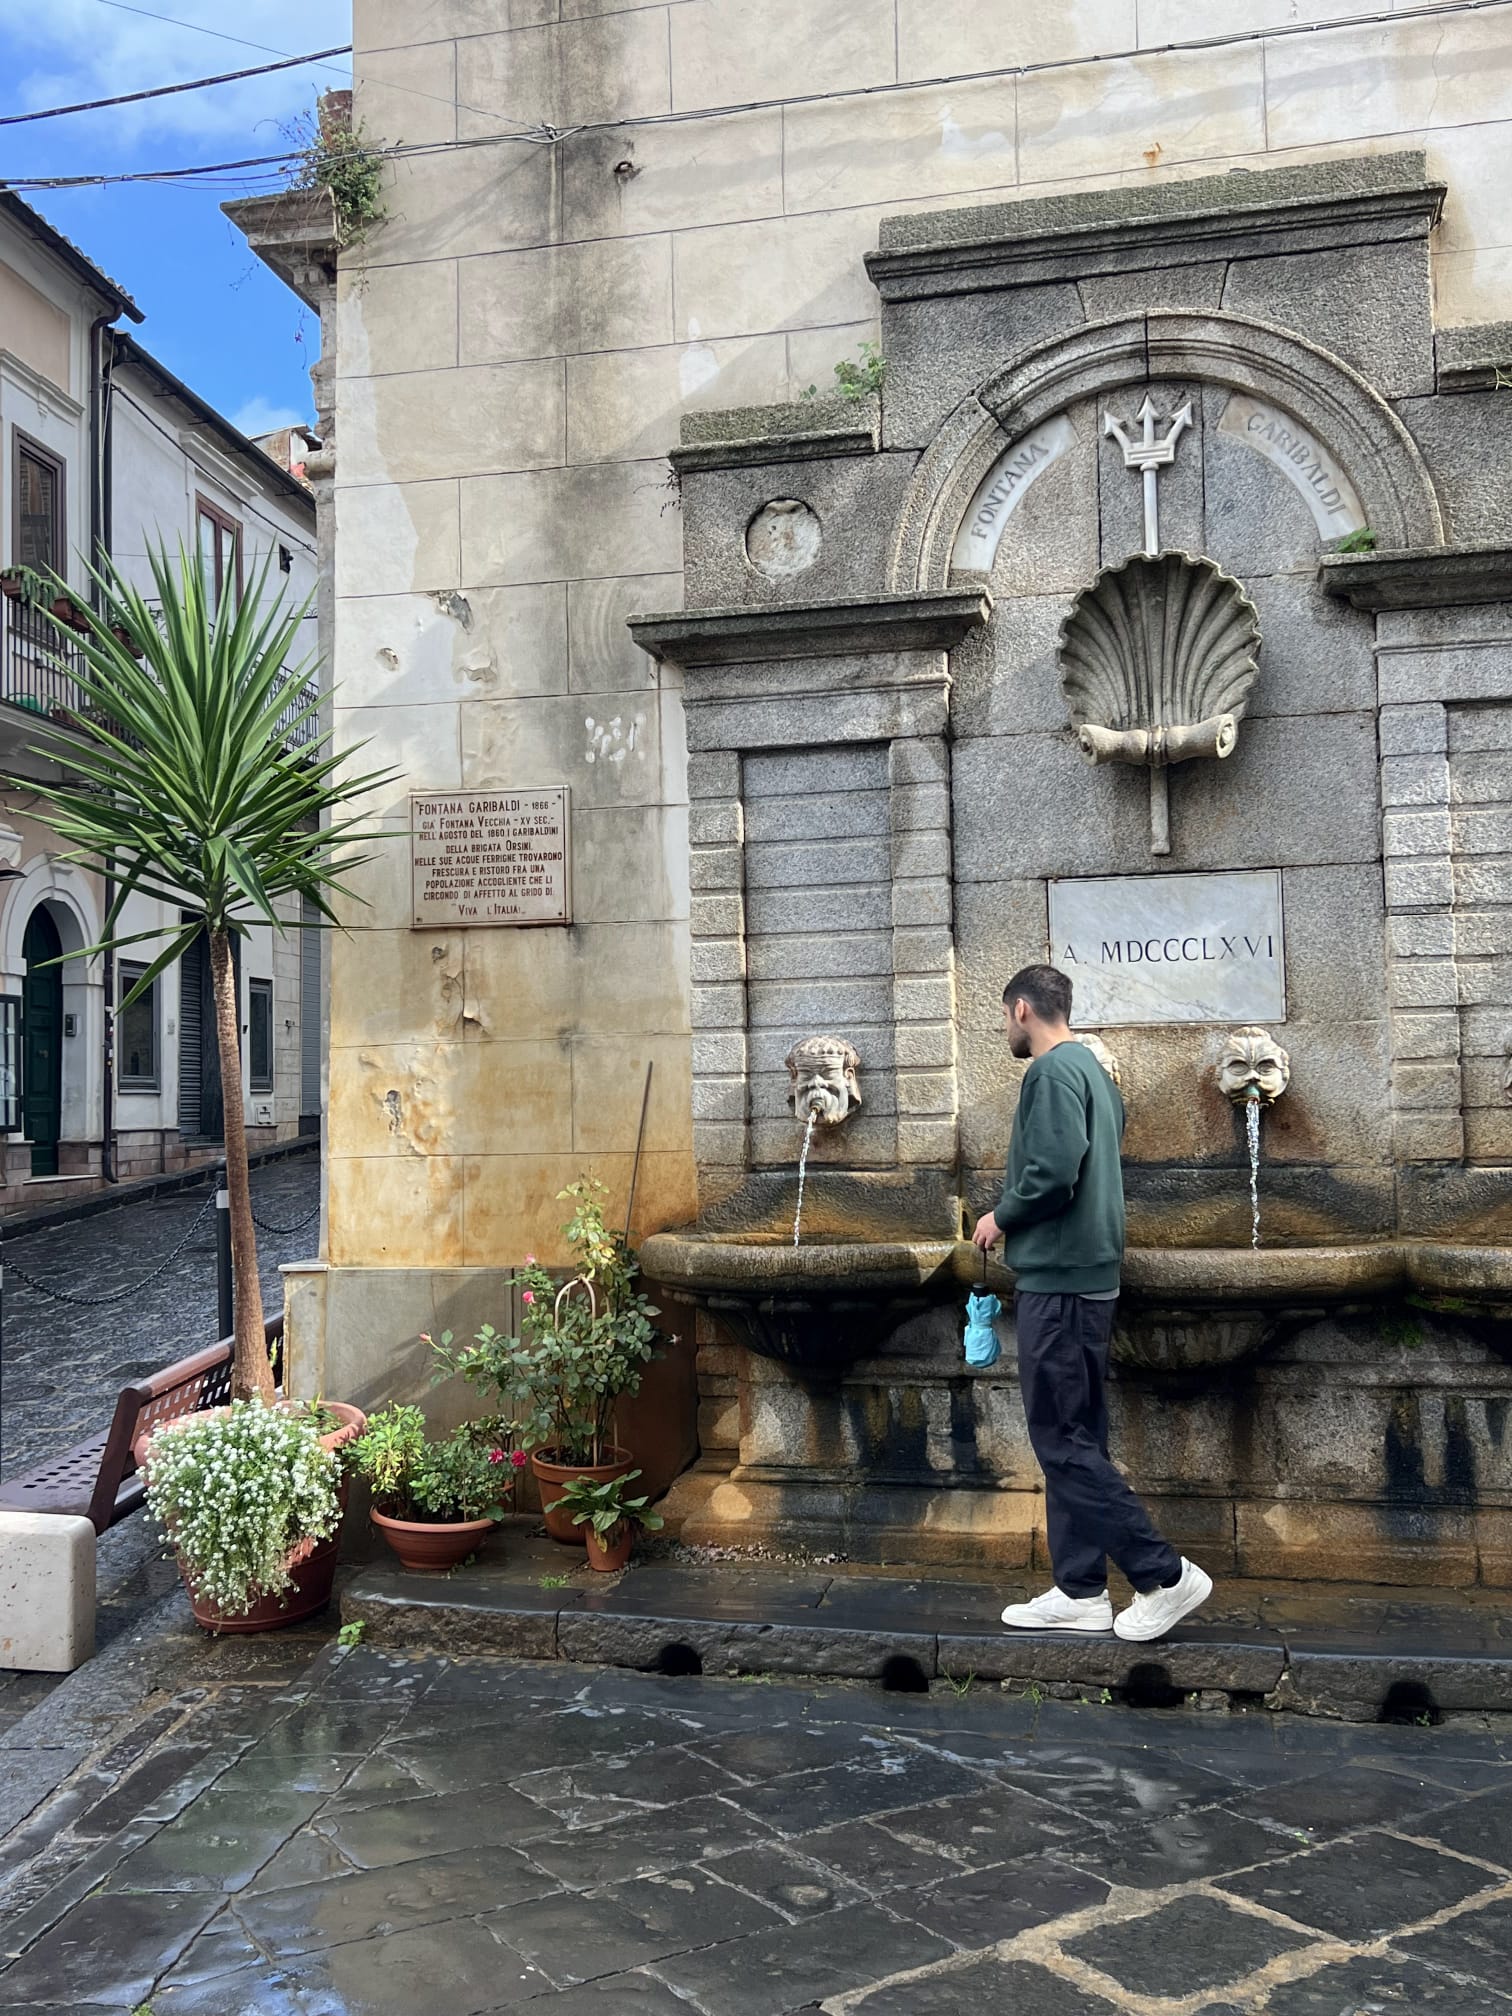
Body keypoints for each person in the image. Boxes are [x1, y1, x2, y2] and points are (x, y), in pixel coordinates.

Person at [972, 964, 1212, 1642]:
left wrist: (1002, 1217)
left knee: (1061, 1439)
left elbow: (1051, 1172)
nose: (1006, 1029)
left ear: (1022, 1010)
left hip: (1061, 1282)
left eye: (1004, 1017)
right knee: (1077, 1439)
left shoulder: (1050, 1073)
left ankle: (1163, 1576)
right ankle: (1079, 1591)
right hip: (1088, 1277)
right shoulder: (1096, 1077)